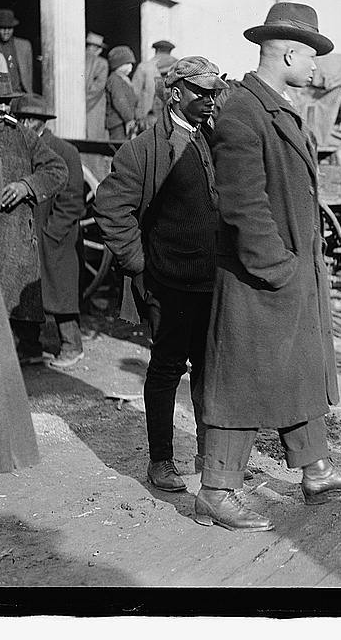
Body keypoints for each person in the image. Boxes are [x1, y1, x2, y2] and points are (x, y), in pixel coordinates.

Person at [198, 2, 341, 532]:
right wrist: (278, 268)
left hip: (286, 272)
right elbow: (242, 204)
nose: (318, 66)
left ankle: (317, 471)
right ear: (290, 53)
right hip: (260, 277)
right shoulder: (242, 111)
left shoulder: (270, 105)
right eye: (314, 55)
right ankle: (215, 489)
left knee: (296, 367)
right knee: (241, 380)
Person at [95, 56, 229, 492]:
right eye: (201, 92)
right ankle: (160, 461)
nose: (210, 100)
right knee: (168, 368)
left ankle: (210, 456)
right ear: (176, 93)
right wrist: (138, 264)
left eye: (213, 92)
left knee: (210, 370)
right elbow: (110, 206)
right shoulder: (145, 149)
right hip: (169, 283)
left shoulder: (215, 139)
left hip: (213, 280)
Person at [0, 72, 68, 366]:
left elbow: (57, 170)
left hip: (15, 231)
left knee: (18, 293)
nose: (3, 108)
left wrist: (26, 186)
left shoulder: (22, 135)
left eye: (6, 102)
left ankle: (28, 347)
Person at [11, 95, 87, 368]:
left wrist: (51, 233)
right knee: (25, 295)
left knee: (60, 293)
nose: (17, 125)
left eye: (20, 120)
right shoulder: (18, 147)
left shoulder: (65, 151)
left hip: (56, 236)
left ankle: (71, 346)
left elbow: (72, 200)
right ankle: (30, 347)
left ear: (32, 121)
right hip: (26, 234)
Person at [132, 39, 176, 130]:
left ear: (156, 50)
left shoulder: (144, 67)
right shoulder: (179, 66)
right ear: (170, 51)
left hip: (150, 116)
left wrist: (138, 116)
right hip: (173, 117)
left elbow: (134, 93)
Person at [0, 8, 35, 95]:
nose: (6, 31)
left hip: (22, 93)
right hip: (1, 94)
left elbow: (29, 73)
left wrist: (29, 93)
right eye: (2, 28)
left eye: (9, 28)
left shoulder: (24, 46)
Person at [105, 45, 138, 141]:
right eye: (127, 63)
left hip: (123, 121)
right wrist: (129, 119)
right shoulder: (115, 79)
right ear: (118, 65)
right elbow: (120, 101)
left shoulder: (122, 79)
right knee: (119, 148)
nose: (131, 67)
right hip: (118, 123)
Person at [85, 32, 109, 140]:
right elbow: (98, 86)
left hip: (91, 104)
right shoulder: (101, 62)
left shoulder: (100, 62)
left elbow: (98, 86)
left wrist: (81, 103)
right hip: (91, 103)